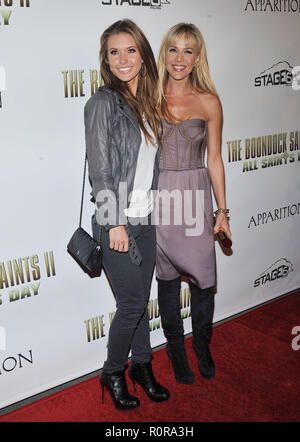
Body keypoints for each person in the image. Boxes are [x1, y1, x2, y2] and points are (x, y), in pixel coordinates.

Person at [84, 19, 169, 410]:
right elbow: (100, 171)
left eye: (130, 50)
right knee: (133, 304)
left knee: (140, 299)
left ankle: (143, 366)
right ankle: (113, 371)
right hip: (116, 223)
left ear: (143, 54)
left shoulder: (151, 102)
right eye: (113, 52)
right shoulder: (102, 103)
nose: (122, 59)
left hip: (146, 220)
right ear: (105, 59)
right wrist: (114, 221)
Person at [155, 23, 231, 384]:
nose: (180, 58)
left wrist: (222, 211)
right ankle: (175, 349)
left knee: (203, 281)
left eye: (188, 51)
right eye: (173, 49)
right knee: (167, 281)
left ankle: (202, 344)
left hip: (195, 195)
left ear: (197, 57)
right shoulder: (148, 98)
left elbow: (214, 158)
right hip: (160, 197)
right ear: (164, 54)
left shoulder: (209, 101)